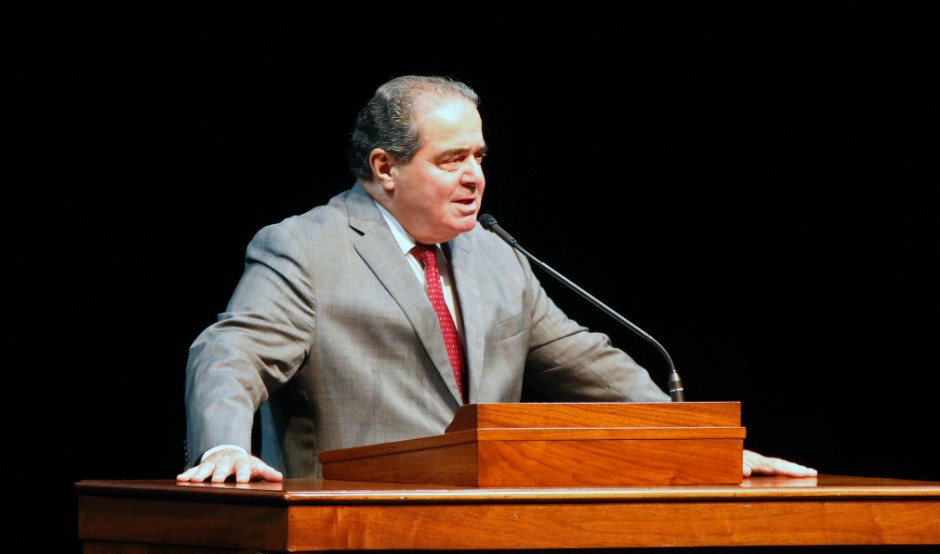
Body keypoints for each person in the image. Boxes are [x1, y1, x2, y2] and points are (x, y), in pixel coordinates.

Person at [178, 75, 817, 484]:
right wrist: (221, 449)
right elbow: (231, 351)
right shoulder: (306, 247)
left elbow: (587, 363)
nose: (474, 176)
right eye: (451, 159)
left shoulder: (492, 254)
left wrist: (701, 449)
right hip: (355, 540)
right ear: (385, 166)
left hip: (482, 536)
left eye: (479, 157)